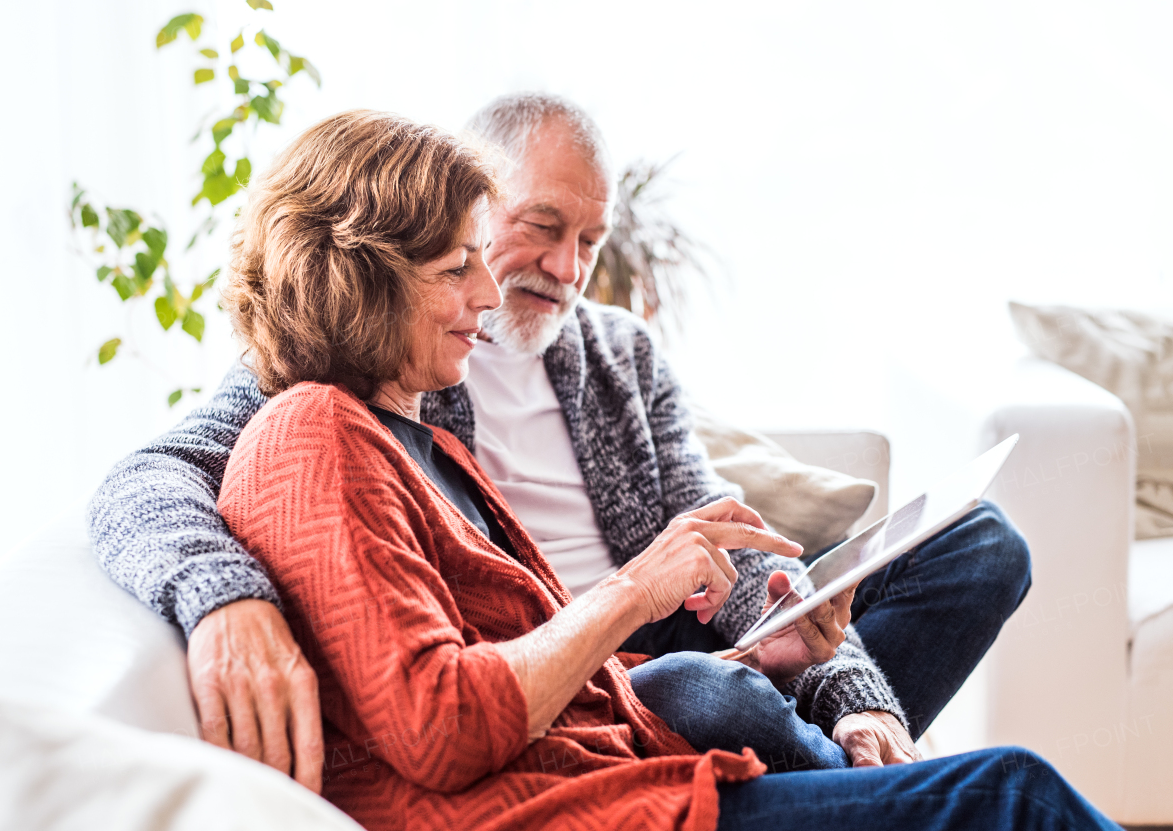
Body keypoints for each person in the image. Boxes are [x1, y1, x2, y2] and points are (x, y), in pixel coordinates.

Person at [89, 93, 1031, 787]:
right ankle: (823, 773)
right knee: (715, 697)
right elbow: (146, 478)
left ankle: (838, 755)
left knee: (980, 542)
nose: (567, 268)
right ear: (475, 202)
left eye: (591, 238)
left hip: (655, 625)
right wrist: (223, 597)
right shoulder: (357, 355)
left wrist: (845, 681)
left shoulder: (619, 352)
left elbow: (715, 537)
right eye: (542, 228)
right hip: (533, 651)